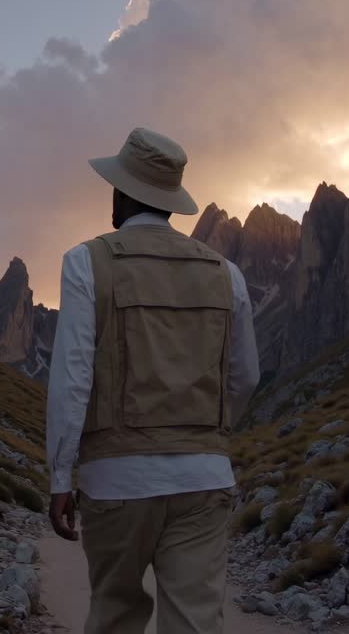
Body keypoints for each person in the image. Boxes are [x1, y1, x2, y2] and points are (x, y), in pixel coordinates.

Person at [46, 127, 260, 634]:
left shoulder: (86, 262)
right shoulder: (226, 273)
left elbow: (72, 379)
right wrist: (206, 438)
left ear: (121, 192)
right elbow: (246, 377)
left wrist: (60, 479)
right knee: (195, 622)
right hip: (205, 479)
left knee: (115, 614)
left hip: (117, 482)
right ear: (169, 200)